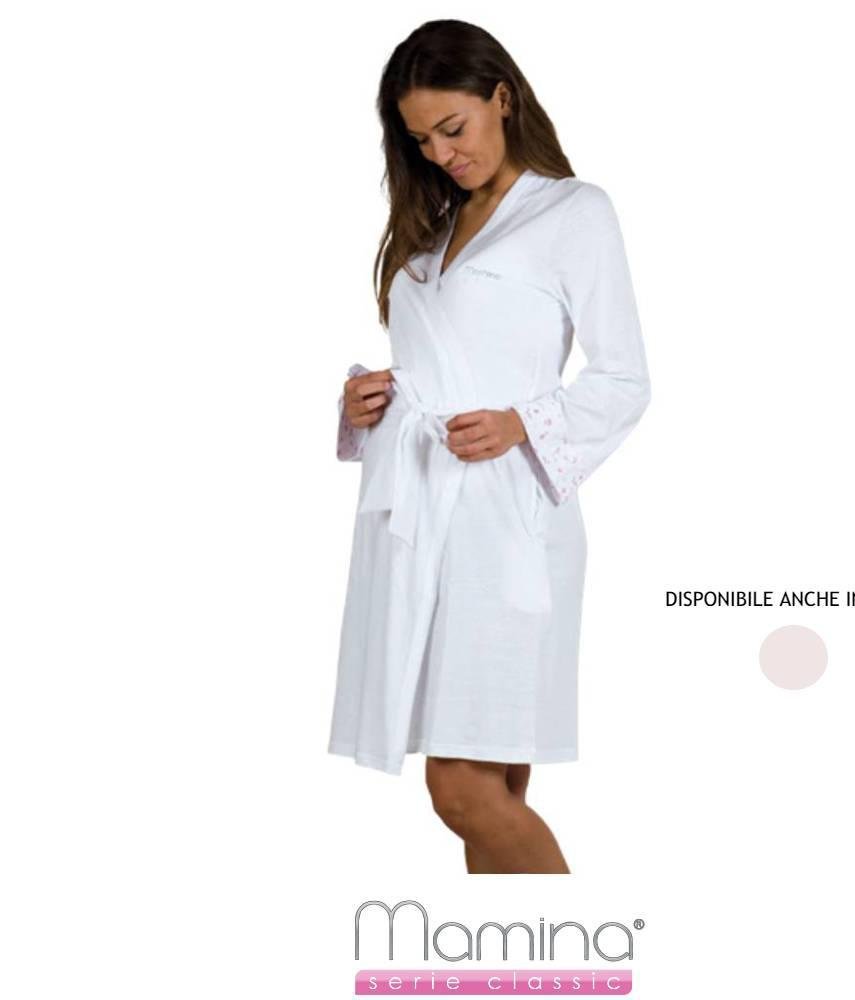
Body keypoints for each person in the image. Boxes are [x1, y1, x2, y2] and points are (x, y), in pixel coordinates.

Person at [328, 19, 651, 874]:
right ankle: (521, 950)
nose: (441, 153)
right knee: (491, 794)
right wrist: (365, 402)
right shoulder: (433, 229)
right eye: (420, 140)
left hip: (508, 525)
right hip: (417, 521)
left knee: (461, 789)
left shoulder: (573, 212)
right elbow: (444, 362)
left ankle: (592, 941)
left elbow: (625, 378)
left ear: (501, 98)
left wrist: (519, 423)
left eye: (453, 128)